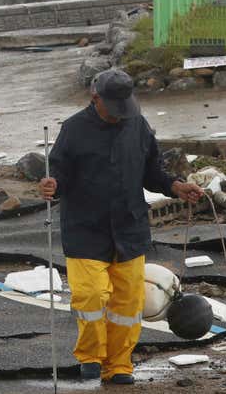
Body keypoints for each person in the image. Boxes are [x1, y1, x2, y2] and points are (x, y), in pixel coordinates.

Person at [38, 69, 203, 385]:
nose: (119, 116)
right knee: (91, 295)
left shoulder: (137, 125)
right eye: (113, 108)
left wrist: (175, 186)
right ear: (95, 97)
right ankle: (90, 356)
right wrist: (51, 186)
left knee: (127, 304)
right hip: (85, 229)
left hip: (129, 228)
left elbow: (152, 172)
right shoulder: (73, 130)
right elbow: (59, 173)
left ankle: (119, 364)